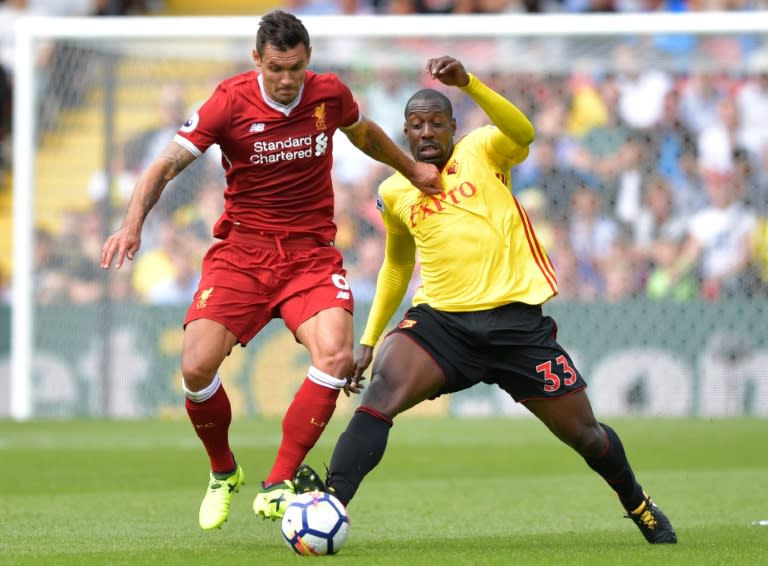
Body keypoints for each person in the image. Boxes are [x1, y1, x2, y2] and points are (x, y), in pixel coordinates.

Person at [296, 55, 677, 545]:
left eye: (437, 122)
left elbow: (524, 132)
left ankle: (639, 505)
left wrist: (470, 83)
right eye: (417, 125)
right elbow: (396, 265)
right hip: (441, 325)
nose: (427, 132)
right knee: (382, 391)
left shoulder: (483, 149)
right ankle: (331, 504)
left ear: (454, 127)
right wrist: (369, 340)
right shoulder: (395, 190)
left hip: (517, 325)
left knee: (585, 434)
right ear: (406, 132)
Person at [100, 9, 441, 532]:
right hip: (242, 253)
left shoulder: (328, 94)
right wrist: (131, 225)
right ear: (257, 59)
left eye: (297, 68)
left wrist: (412, 169)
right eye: (277, 68)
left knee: (336, 356)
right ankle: (222, 471)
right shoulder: (228, 102)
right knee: (194, 368)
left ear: (309, 61)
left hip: (309, 254)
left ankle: (278, 481)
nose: (287, 80)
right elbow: (164, 165)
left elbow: (365, 134)